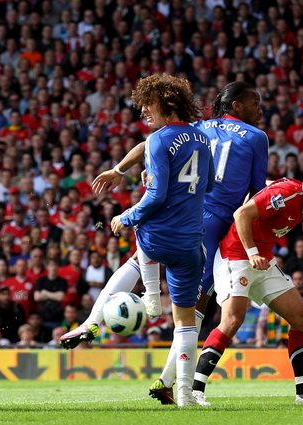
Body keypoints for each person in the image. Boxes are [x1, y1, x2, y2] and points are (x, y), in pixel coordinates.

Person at [60, 81, 268, 405]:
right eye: (255, 103)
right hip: (208, 223)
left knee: (139, 255)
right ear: (237, 105)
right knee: (193, 310)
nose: (260, 110)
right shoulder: (254, 137)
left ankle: (97, 320)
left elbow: (148, 146)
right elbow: (256, 193)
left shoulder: (198, 127)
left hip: (177, 215)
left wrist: (118, 170)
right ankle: (173, 383)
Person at [83, 74, 215, 406]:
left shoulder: (157, 140)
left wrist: (125, 216)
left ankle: (152, 297)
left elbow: (155, 197)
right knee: (185, 323)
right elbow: (210, 185)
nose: (142, 110)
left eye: (147, 104)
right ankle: (184, 394)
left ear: (167, 103)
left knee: (141, 225)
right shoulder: (202, 139)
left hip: (158, 240)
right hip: (191, 244)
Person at [192, 172, 303, 405]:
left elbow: (268, 185)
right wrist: (252, 253)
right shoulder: (288, 194)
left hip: (263, 261)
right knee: (232, 320)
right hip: (237, 255)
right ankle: (195, 391)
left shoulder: (298, 197)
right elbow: (241, 214)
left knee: (302, 317)